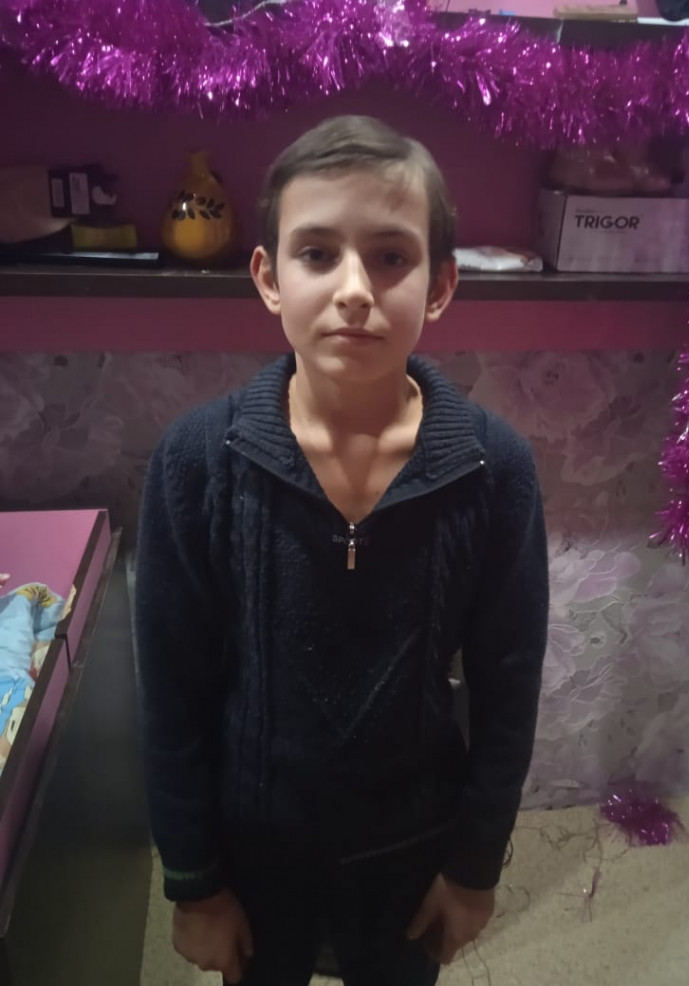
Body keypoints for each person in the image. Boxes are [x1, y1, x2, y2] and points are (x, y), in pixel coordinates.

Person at [135, 114, 549, 986]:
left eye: (391, 257)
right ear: (268, 278)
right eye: (318, 253)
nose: (355, 288)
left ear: (440, 286)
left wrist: (476, 868)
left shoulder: (495, 469)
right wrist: (194, 882)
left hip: (413, 847)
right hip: (254, 855)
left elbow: (508, 692)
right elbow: (171, 693)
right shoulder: (195, 462)